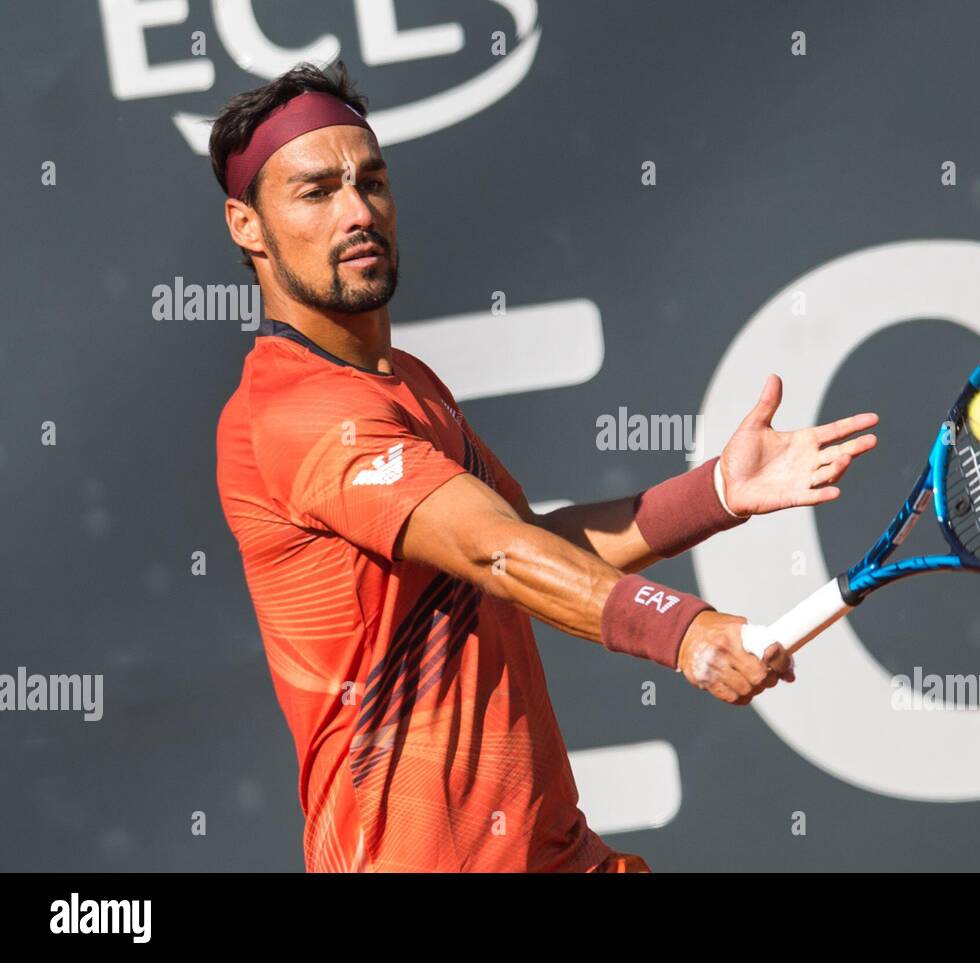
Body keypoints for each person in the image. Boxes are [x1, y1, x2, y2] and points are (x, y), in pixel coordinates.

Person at [213, 62, 879, 872]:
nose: (358, 213)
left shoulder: (408, 383)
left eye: (373, 182)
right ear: (247, 226)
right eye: (316, 193)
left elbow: (523, 543)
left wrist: (713, 494)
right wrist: (684, 631)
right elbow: (496, 553)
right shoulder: (290, 411)